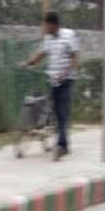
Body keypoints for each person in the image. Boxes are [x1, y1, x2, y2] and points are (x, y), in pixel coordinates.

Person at [23, 11, 79, 160]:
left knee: (61, 112)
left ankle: (61, 146)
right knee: (55, 111)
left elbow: (74, 58)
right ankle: (64, 143)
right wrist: (28, 63)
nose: (45, 27)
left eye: (46, 25)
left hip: (66, 80)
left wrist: (65, 74)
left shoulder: (69, 35)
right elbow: (41, 54)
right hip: (53, 80)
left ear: (54, 25)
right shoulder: (48, 39)